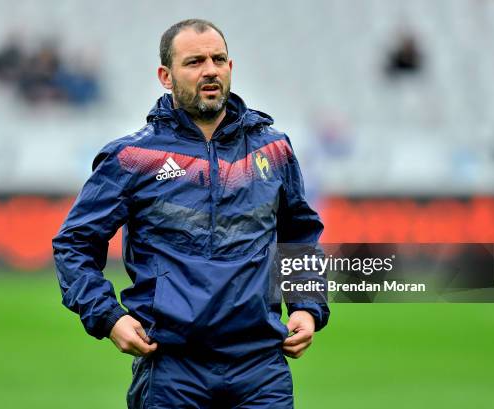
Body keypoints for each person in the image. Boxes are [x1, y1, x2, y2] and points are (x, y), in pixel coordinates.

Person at [52, 19, 329, 408]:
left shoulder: (274, 149)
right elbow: (75, 245)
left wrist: (307, 306)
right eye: (195, 62)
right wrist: (108, 317)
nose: (210, 70)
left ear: (230, 67)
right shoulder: (132, 158)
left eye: (218, 59)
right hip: (171, 368)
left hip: (261, 367)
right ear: (166, 76)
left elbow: (299, 234)